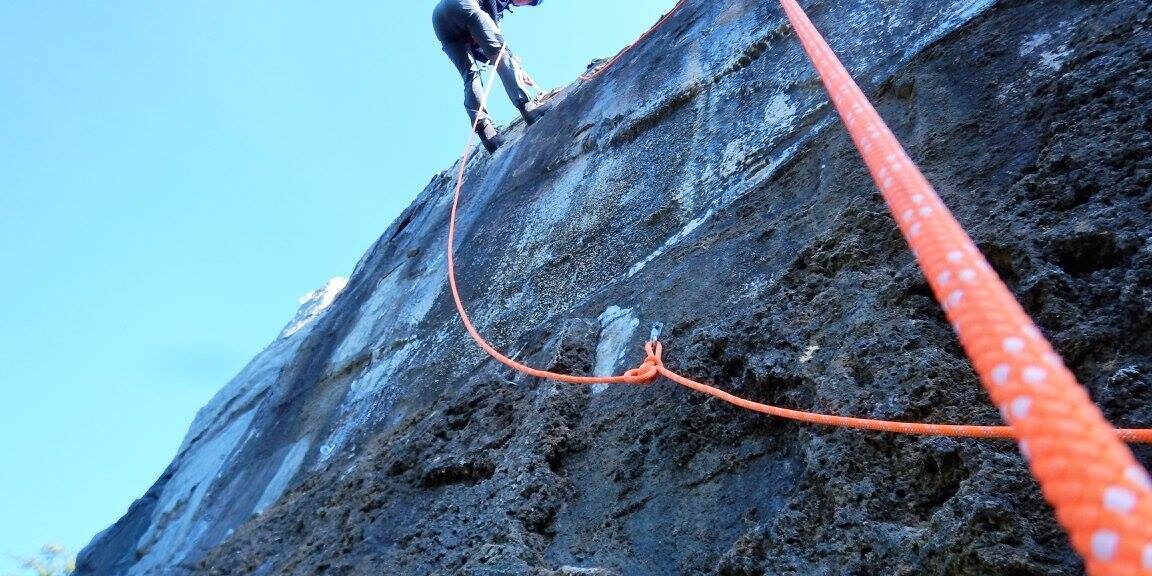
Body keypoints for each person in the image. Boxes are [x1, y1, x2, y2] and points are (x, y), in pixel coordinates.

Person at [432, 0, 547, 153]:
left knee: (471, 74)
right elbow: (495, 46)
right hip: (463, 4)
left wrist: (513, 66)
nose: (525, 4)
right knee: (501, 53)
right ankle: (527, 107)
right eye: (529, 1)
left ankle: (487, 133)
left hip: (441, 21)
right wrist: (496, 32)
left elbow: (483, 50)